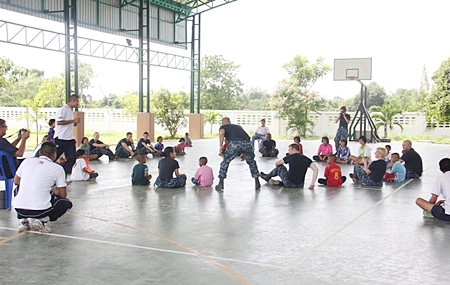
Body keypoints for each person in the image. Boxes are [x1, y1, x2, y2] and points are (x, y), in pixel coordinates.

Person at [13, 142, 72, 233]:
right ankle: (43, 220)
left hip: (19, 209)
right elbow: (63, 195)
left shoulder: (26, 161)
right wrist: (54, 190)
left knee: (18, 189)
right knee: (66, 203)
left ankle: (23, 221)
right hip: (40, 211)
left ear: (40, 153)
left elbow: (16, 181)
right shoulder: (58, 168)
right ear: (54, 154)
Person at [216, 117, 261, 191]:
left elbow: (222, 133)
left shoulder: (223, 127)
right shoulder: (238, 126)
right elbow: (242, 137)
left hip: (234, 143)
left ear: (222, 122)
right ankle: (257, 181)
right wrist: (244, 152)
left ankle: (221, 183)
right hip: (247, 143)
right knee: (252, 162)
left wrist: (221, 146)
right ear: (229, 121)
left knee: (225, 162)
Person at [54, 95, 80, 174]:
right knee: (54, 157)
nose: (77, 104)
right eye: (77, 102)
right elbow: (59, 122)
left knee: (72, 158)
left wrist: (74, 123)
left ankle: (62, 173)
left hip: (69, 138)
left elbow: (70, 123)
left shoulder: (70, 110)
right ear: (73, 101)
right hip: (61, 138)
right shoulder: (63, 109)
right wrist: (72, 121)